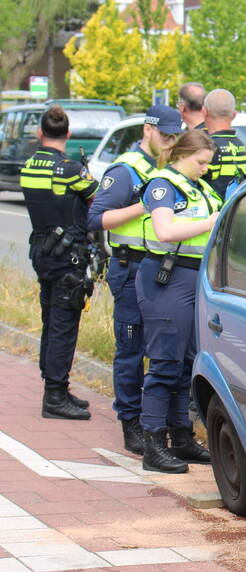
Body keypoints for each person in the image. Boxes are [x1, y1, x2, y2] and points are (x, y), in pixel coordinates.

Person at [87, 105, 183, 454]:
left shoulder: (169, 170)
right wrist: (145, 205)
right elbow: (96, 219)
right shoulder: (127, 170)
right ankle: (131, 424)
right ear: (148, 130)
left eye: (175, 137)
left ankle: (162, 423)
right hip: (130, 269)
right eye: (165, 135)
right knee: (131, 350)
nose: (170, 142)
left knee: (165, 349)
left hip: (163, 270)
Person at [137, 130, 221, 473]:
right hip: (168, 278)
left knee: (186, 361)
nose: (205, 168)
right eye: (201, 162)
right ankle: (153, 444)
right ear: (183, 154)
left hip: (194, 278)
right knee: (165, 362)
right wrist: (210, 222)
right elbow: (165, 231)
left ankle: (181, 437)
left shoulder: (199, 187)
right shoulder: (163, 185)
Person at [20, 105, 99, 420]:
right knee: (64, 324)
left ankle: (56, 387)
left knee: (50, 319)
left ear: (41, 133)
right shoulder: (69, 169)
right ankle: (54, 396)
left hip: (41, 250)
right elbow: (95, 200)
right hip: (68, 256)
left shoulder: (29, 165)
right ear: (67, 134)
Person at [202, 88, 246, 201]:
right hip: (236, 210)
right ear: (234, 115)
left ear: (204, 111)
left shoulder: (207, 146)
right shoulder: (242, 146)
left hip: (214, 214)